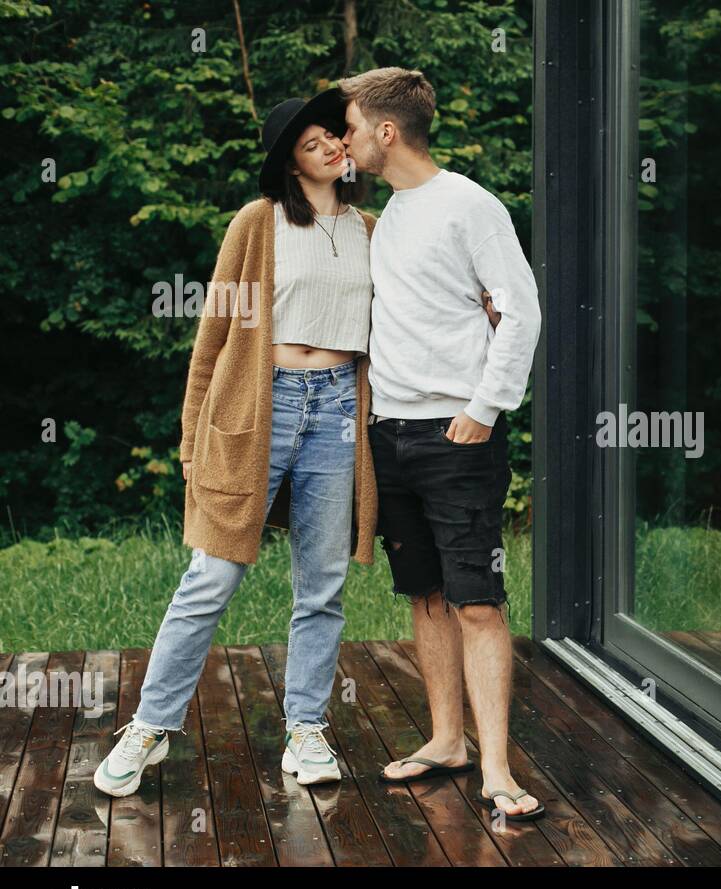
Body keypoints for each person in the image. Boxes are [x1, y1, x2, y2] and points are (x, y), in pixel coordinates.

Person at [95, 90, 380, 796]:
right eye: (313, 144)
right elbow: (212, 339)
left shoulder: (374, 228)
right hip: (261, 406)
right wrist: (193, 437)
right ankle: (150, 727)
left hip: (339, 408)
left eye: (334, 140)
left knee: (322, 586)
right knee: (210, 578)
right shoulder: (258, 224)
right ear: (290, 162)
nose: (331, 150)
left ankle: (307, 730)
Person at [338, 68, 546, 819]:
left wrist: (486, 408)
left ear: (386, 132)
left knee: (477, 602)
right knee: (425, 595)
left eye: (353, 127)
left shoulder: (470, 206)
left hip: (457, 434)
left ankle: (496, 768)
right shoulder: (387, 216)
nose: (345, 140)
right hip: (389, 435)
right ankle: (447, 741)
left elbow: (520, 312)